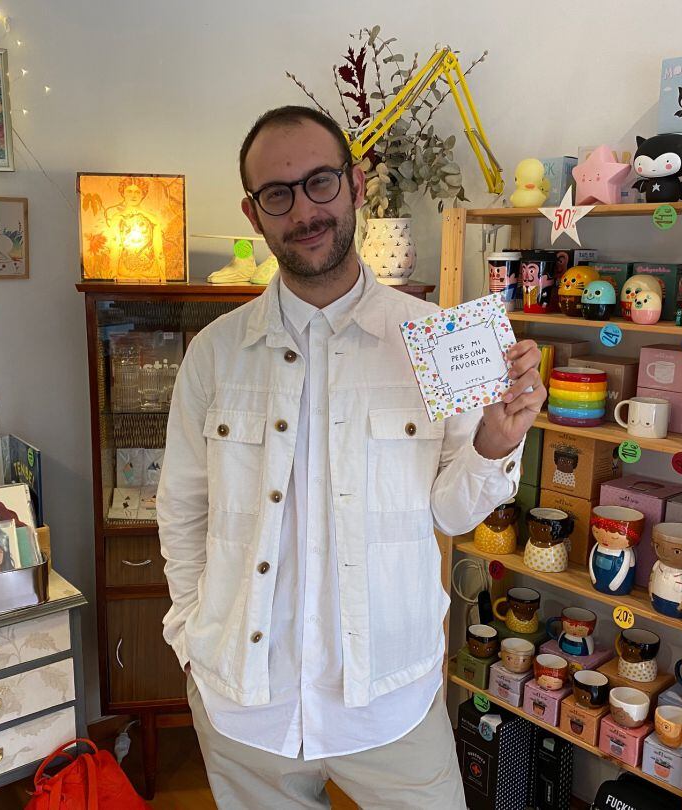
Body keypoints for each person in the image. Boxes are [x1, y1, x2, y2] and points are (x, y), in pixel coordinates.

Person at [158, 105, 544, 808]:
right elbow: (182, 511)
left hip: (389, 698)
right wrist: (190, 633)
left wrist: (495, 442)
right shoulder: (213, 354)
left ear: (357, 184)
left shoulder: (432, 341)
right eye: (279, 194)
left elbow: (451, 511)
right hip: (245, 702)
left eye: (320, 183)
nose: (304, 209)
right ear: (253, 213)